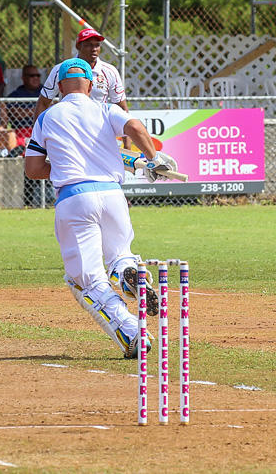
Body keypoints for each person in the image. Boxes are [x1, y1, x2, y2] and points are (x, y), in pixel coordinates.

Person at [24, 58, 178, 358]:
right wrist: (153, 158)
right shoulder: (105, 108)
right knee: (120, 254)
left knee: (86, 280)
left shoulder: (47, 117)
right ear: (91, 85)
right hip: (111, 194)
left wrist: (61, 166)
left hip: (74, 197)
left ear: (59, 87)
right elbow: (134, 126)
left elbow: (33, 169)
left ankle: (133, 333)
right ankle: (128, 273)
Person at [33, 29, 130, 149]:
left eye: (97, 45)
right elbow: (43, 102)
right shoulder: (60, 69)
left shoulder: (110, 71)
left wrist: (127, 146)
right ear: (78, 46)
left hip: (99, 132)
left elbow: (122, 108)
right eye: (88, 45)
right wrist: (37, 141)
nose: (94, 49)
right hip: (68, 131)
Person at [6, 64, 43, 130]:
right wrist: (41, 108)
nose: (36, 78)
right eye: (32, 76)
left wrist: (27, 111)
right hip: (23, 130)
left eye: (38, 75)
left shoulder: (46, 91)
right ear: (23, 78)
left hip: (43, 129)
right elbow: (16, 114)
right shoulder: (16, 95)